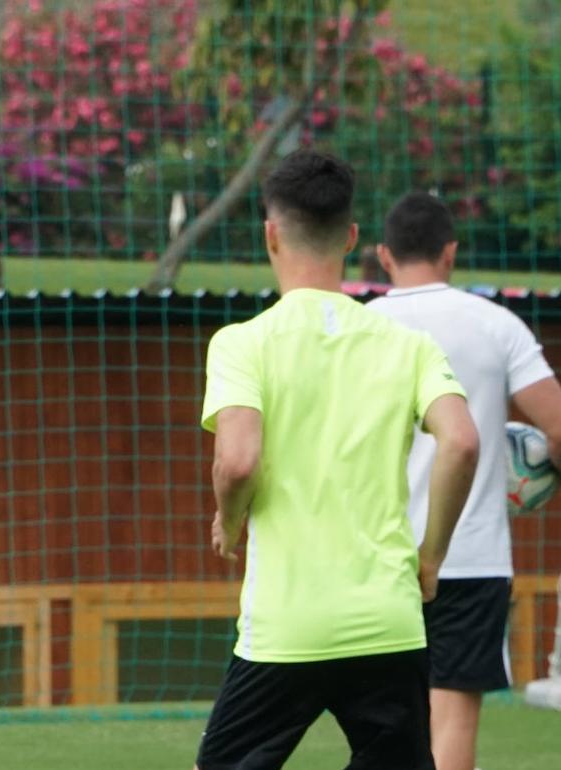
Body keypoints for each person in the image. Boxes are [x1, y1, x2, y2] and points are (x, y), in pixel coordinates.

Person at [194, 151, 480, 770]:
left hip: (286, 627)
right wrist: (430, 558)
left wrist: (230, 519)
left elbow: (237, 462)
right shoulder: (409, 346)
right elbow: (461, 440)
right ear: (352, 237)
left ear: (270, 234)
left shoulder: (242, 343)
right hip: (389, 622)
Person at [367, 191, 561, 769]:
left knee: (380, 724)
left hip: (376, 556)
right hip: (470, 560)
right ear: (450, 252)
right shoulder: (496, 324)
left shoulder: (361, 327)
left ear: (383, 255)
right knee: (450, 724)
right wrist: (532, 467)